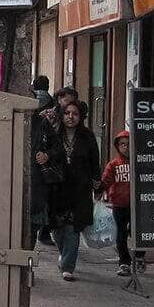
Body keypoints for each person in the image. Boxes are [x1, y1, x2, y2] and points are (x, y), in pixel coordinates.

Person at [44, 100, 101, 281]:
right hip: (57, 189)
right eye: (67, 113)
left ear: (80, 117)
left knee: (72, 227)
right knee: (57, 229)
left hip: (79, 189)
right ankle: (64, 254)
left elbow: (94, 161)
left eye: (75, 114)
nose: (71, 117)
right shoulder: (54, 135)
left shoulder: (87, 136)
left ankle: (68, 267)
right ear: (62, 116)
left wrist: (97, 181)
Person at [100, 129, 142, 276]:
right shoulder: (113, 165)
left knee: (138, 232)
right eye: (122, 144)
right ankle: (124, 262)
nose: (125, 147)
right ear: (117, 146)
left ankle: (140, 257)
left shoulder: (139, 163)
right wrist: (98, 188)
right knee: (121, 234)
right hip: (119, 204)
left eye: (128, 144)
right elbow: (105, 181)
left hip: (137, 204)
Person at [29, 76, 56, 249]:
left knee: (32, 217)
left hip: (35, 176)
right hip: (35, 174)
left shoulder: (40, 122)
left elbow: (55, 147)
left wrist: (46, 155)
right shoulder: (14, 119)